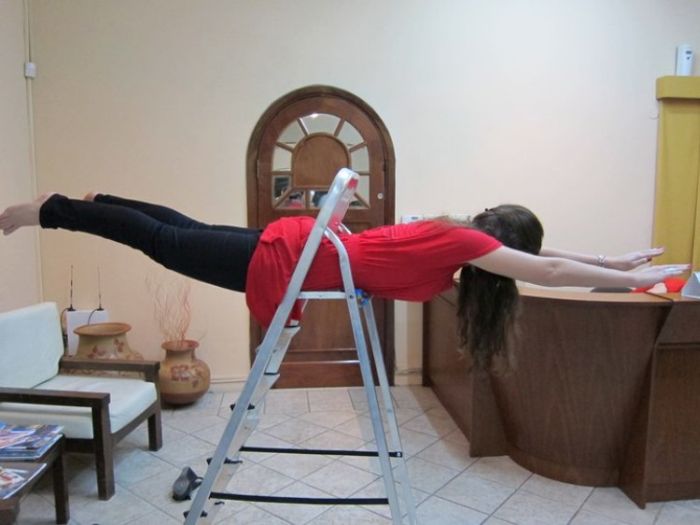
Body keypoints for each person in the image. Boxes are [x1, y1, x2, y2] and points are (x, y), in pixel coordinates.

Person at [0, 192, 688, 369]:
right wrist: (626, 275)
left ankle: (90, 201)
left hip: (293, 253)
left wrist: (616, 263)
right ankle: (52, 211)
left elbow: (545, 257)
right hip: (285, 260)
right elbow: (549, 268)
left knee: (176, 229)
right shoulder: (462, 243)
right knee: (164, 239)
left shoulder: (459, 245)